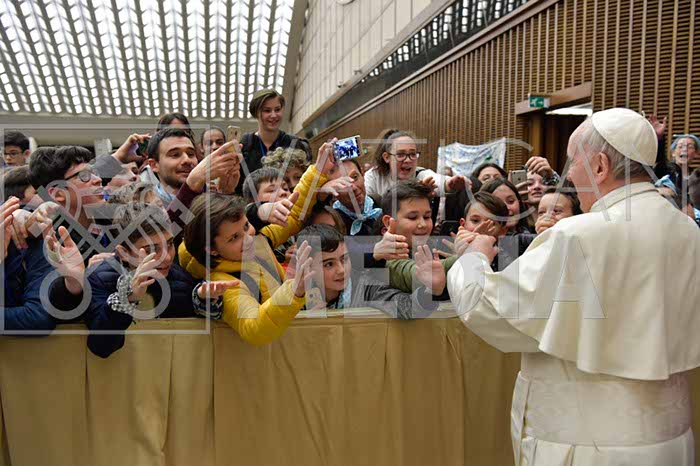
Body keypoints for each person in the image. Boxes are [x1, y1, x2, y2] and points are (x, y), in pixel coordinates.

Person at [448, 107, 700, 466]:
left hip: (587, 447)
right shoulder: (688, 230)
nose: (568, 175)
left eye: (573, 162)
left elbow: (491, 311)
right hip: (671, 441)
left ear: (600, 166)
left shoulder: (578, 234)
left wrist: (472, 259)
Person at [177, 141, 335, 345]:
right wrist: (294, 291)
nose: (248, 238)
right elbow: (255, 328)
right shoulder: (223, 282)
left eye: (246, 226)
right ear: (212, 250)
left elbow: (294, 215)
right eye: (234, 238)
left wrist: (317, 171)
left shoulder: (261, 238)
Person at [80, 203, 237, 358]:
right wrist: (128, 298)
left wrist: (202, 299)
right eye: (152, 250)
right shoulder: (98, 279)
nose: (167, 257)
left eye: (170, 244)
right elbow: (101, 347)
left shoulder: (180, 277)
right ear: (124, 253)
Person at [296, 224, 442, 318]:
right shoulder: (295, 297)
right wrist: (304, 323)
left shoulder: (365, 286)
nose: (341, 270)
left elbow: (407, 308)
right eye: (329, 264)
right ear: (308, 267)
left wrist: (431, 291)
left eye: (344, 259)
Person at [238, 89, 312, 193]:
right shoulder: (245, 146)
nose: (273, 115)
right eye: (267, 111)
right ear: (256, 113)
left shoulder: (295, 143)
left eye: (277, 109)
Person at [364, 131, 466, 199]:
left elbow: (437, 180)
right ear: (387, 157)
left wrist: (450, 184)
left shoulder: (420, 175)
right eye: (400, 155)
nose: (408, 160)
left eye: (412, 154)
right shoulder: (374, 177)